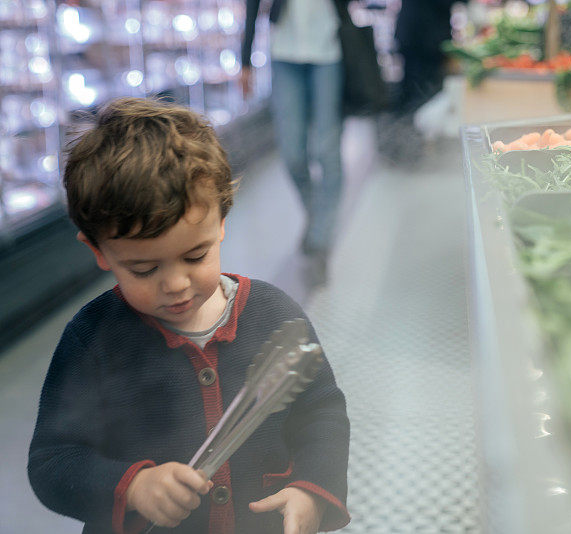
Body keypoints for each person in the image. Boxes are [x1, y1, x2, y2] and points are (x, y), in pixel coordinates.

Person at [27, 98, 350, 534]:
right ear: (98, 251)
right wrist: (133, 486)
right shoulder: (93, 339)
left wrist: (312, 490)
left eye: (195, 255)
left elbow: (321, 413)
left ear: (221, 219)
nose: (176, 284)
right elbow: (53, 461)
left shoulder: (273, 314)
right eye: (144, 269)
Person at [241, 0, 349, 285]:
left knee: (327, 151)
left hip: (329, 52)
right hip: (284, 53)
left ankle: (321, 239)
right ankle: (316, 218)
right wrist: (244, 59)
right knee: (292, 154)